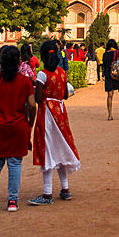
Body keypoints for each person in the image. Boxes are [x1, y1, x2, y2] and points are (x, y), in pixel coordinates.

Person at [0, 45, 35, 213]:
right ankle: (12, 201)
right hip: (18, 126)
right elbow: (32, 105)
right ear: (19, 61)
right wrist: (30, 123)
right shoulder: (25, 80)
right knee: (15, 162)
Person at [30, 41, 81, 205]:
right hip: (60, 112)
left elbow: (38, 98)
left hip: (47, 113)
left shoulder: (42, 74)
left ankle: (47, 193)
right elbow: (65, 95)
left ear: (43, 57)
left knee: (48, 150)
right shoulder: (62, 73)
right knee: (61, 147)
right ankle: (65, 189)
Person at [102, 39, 119, 120]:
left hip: (109, 75)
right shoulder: (117, 52)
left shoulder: (105, 54)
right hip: (118, 75)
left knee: (110, 96)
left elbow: (104, 65)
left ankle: (110, 115)